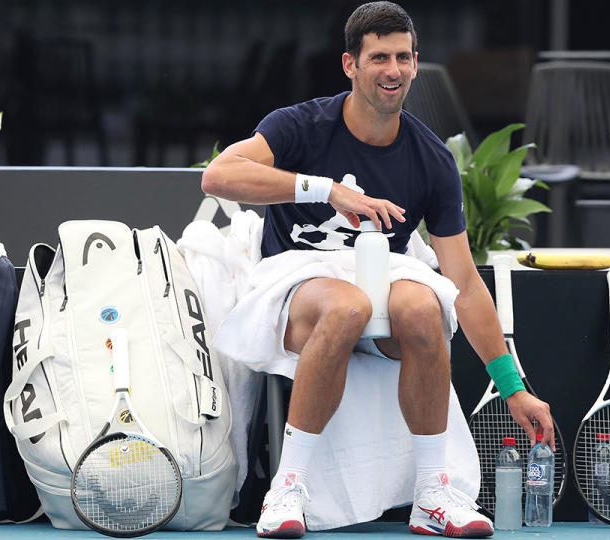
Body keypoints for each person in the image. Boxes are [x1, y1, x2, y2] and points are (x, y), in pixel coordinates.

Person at [202, 2, 556, 537]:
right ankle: (288, 489)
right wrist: (325, 190)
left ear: (416, 64)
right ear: (350, 65)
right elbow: (219, 176)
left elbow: (461, 278)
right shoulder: (299, 125)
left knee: (423, 305)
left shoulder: (431, 158)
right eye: (379, 58)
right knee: (348, 307)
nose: (393, 70)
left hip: (381, 274)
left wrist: (513, 387)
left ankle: (434, 495)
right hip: (297, 278)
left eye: (403, 58)